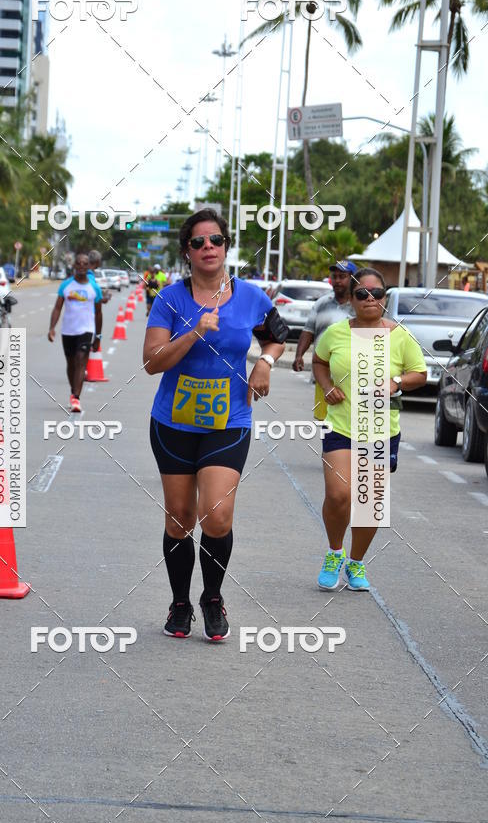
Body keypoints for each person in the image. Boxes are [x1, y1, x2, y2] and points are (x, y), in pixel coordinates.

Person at [143, 208, 288, 641]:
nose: (209, 248)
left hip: (230, 420)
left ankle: (211, 597)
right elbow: (152, 362)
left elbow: (279, 335)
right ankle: (180, 602)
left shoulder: (251, 297)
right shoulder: (170, 299)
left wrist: (264, 361)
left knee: (217, 515)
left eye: (216, 240)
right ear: (186, 252)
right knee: (180, 518)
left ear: (227, 246)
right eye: (198, 242)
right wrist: (192, 332)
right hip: (174, 422)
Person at [312, 267, 427, 592]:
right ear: (351, 299)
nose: (370, 299)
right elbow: (319, 362)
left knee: (369, 503)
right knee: (338, 495)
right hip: (340, 425)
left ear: (385, 298)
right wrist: (326, 386)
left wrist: (396, 382)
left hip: (379, 429)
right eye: (362, 293)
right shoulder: (335, 332)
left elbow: (419, 373)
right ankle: (335, 551)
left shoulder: (399, 335)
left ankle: (357, 562)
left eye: (376, 293)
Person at [292, 260, 357, 421]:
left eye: (342, 276)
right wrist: (299, 355)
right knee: (326, 424)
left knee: (352, 424)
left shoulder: (360, 305)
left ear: (353, 279)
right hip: (324, 376)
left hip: (354, 376)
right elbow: (308, 331)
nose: (338, 281)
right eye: (334, 277)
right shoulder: (322, 303)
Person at [48, 251, 103, 412]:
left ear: (89, 267)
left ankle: (76, 398)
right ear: (74, 266)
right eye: (78, 263)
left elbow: (99, 313)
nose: (81, 266)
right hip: (68, 331)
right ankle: (73, 391)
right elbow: (57, 308)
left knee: (81, 360)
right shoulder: (66, 285)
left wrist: (98, 336)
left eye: (85, 264)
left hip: (87, 330)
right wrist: (52, 328)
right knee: (71, 364)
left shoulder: (94, 287)